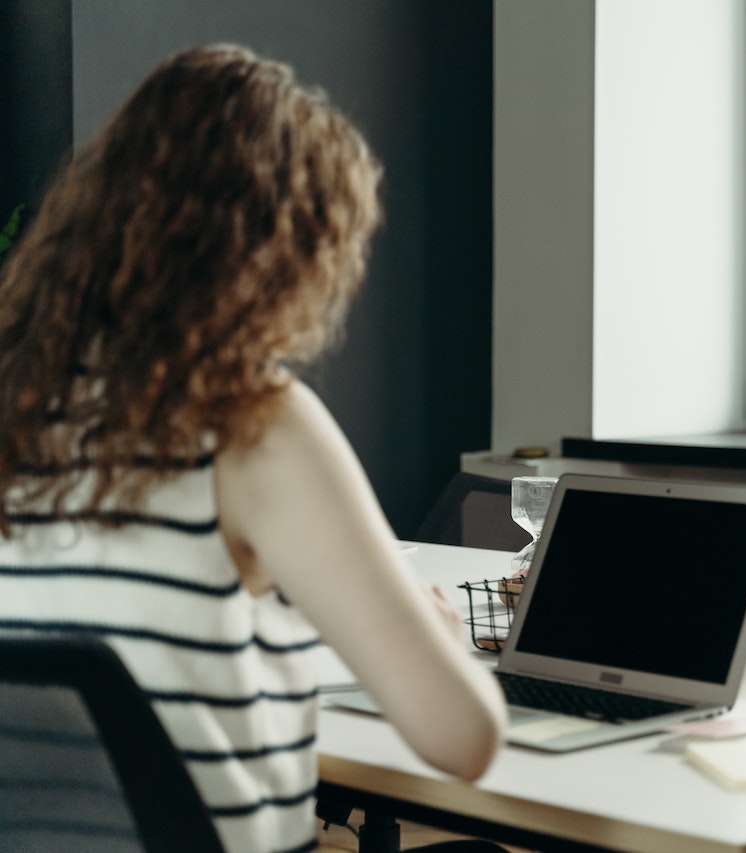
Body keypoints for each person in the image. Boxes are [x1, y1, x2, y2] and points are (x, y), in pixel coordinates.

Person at [0, 45, 506, 853]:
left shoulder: (18, 406)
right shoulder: (248, 423)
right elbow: (464, 738)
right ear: (280, 258)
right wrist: (444, 644)